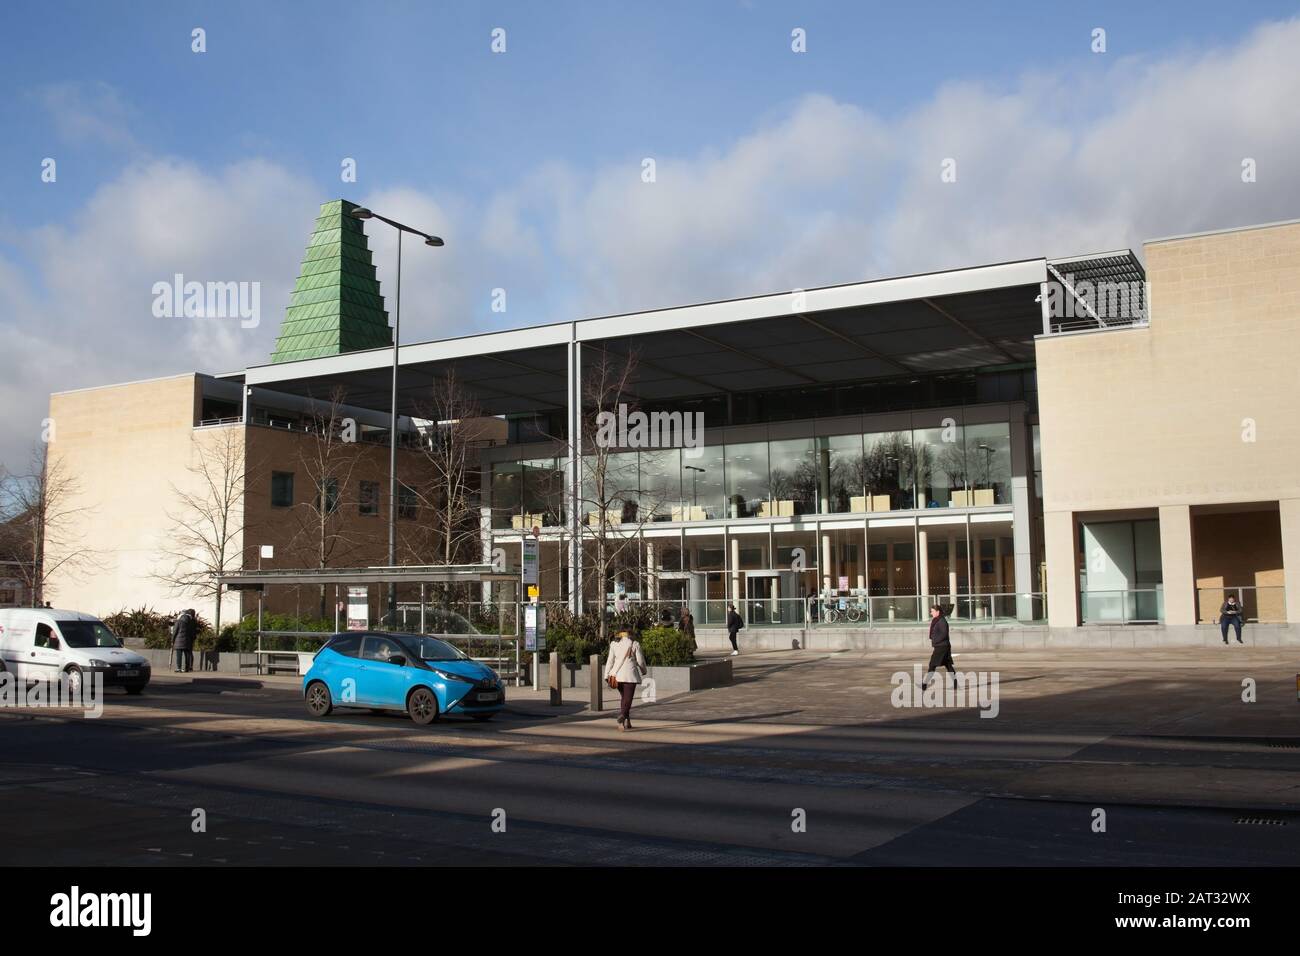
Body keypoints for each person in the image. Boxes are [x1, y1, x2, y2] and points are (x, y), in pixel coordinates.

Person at [603, 628, 647, 731]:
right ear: (630, 633)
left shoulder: (614, 644)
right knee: (628, 699)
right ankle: (622, 717)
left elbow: (610, 661)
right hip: (630, 676)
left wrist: (606, 675)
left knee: (624, 698)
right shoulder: (635, 643)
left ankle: (627, 722)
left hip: (616, 676)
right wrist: (644, 670)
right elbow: (640, 661)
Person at [920, 604, 956, 690]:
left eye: (932, 611)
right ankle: (955, 683)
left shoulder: (942, 621)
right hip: (942, 646)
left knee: (932, 665)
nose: (931, 613)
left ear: (937, 612)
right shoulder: (937, 620)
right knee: (948, 665)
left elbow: (944, 634)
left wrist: (935, 640)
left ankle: (924, 684)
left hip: (942, 647)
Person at [172, 608, 197, 673]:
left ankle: (179, 668)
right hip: (188, 641)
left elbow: (175, 632)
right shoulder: (191, 622)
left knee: (179, 655)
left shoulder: (178, 621)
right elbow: (193, 632)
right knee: (187, 655)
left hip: (179, 641)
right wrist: (192, 639)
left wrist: (173, 640)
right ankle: (187, 668)